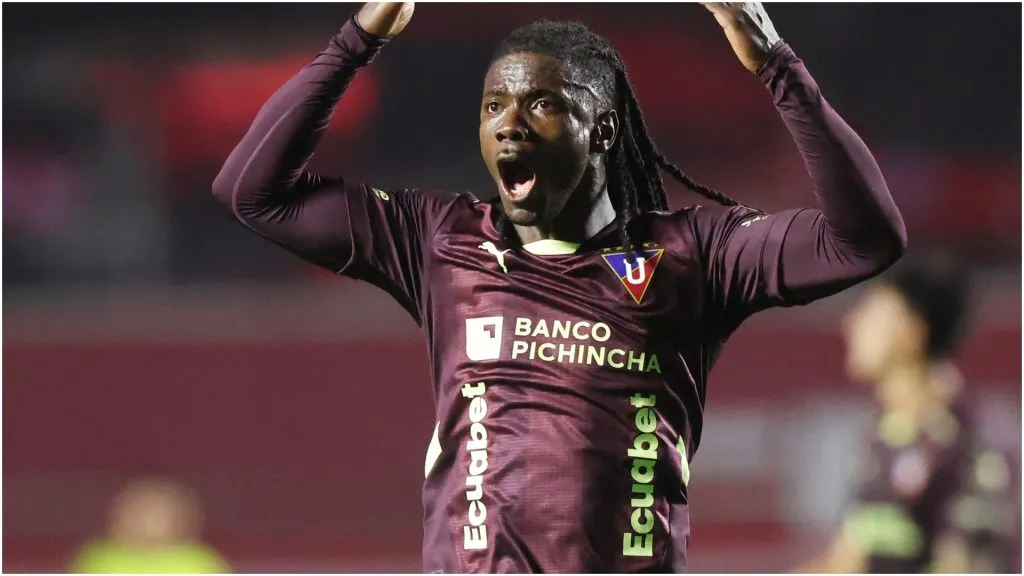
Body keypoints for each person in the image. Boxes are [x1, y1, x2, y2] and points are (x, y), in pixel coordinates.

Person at [213, 2, 906, 571]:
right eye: (492, 106)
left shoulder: (692, 256)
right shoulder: (440, 241)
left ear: (602, 128)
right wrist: (355, 41)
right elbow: (254, 192)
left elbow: (864, 238)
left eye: (539, 103)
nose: (508, 124)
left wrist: (777, 68)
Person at [798, 254, 1018, 573]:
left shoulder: (970, 444)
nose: (851, 323)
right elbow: (849, 560)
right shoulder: (882, 436)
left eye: (871, 314)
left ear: (911, 332)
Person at [71, 477, 229, 574]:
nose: (144, 522)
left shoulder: (200, 562)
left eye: (156, 514)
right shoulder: (98, 559)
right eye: (135, 511)